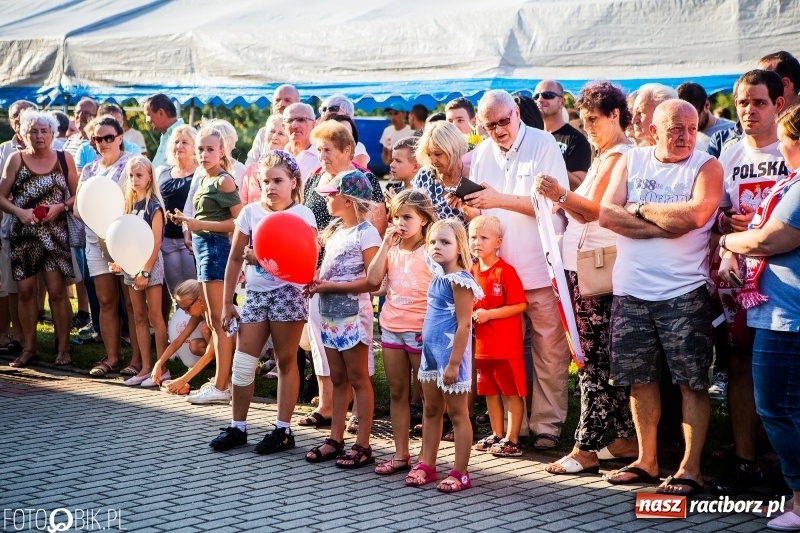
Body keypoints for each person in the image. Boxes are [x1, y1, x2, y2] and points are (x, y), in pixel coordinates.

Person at [599, 100, 723, 496]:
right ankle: (646, 460)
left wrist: (636, 210)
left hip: (683, 292)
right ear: (653, 130)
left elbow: (695, 217)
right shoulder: (632, 160)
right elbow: (606, 214)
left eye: (690, 127)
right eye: (675, 128)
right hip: (631, 290)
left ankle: (690, 469)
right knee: (640, 380)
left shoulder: (706, 165)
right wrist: (660, 223)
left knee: (692, 382)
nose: (686, 136)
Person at [535, 81, 636, 474]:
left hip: (596, 268)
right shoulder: (605, 153)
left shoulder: (619, 156)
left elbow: (595, 212)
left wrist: (560, 194)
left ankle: (586, 446)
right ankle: (625, 437)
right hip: (587, 265)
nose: (588, 127)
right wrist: (562, 199)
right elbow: (583, 213)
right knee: (605, 360)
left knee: (592, 360)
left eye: (594, 119)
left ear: (615, 114)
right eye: (584, 120)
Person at [466, 89, 570, 450]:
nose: (497, 130)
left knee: (548, 351)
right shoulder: (480, 153)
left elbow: (555, 203)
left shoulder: (543, 143)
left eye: (503, 121)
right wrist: (469, 206)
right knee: (503, 355)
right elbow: (482, 215)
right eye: (489, 125)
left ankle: (547, 426)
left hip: (539, 268)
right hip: (497, 273)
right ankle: (513, 429)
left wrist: (497, 199)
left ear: (516, 113)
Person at [718, 103, 800, 531]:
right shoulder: (792, 182)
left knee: (777, 408)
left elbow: (774, 237)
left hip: (789, 317)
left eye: (785, 138)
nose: (780, 147)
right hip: (778, 313)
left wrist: (731, 238)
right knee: (786, 408)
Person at [712, 69, 788, 496]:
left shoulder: (792, 150)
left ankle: (781, 460)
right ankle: (745, 459)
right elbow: (716, 212)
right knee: (740, 365)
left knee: (784, 372)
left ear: (778, 104)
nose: (748, 110)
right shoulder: (730, 154)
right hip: (740, 278)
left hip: (783, 280)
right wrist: (726, 221)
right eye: (742, 102)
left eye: (757, 102)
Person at [210, 151, 316, 453]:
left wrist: (264, 259)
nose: (271, 186)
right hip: (255, 295)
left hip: (289, 294)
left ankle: (283, 430)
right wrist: (227, 302)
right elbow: (233, 259)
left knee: (286, 361)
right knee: (243, 362)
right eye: (265, 181)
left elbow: (306, 260)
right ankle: (238, 427)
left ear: (293, 182)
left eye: (278, 180)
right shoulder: (250, 213)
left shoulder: (302, 215)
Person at [301, 121, 386, 429]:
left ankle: (358, 423)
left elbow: (376, 225)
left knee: (355, 361)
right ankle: (328, 413)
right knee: (326, 351)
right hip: (319, 276)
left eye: (328, 149)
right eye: (318, 149)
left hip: (350, 286)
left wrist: (351, 268)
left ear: (347, 149)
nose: (321, 155)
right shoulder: (314, 181)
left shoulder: (362, 181)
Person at [304, 170, 380, 468]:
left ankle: (363, 443)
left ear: (348, 200)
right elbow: (328, 272)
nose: (327, 200)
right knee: (337, 378)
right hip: (329, 314)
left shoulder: (367, 232)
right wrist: (315, 282)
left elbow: (372, 282)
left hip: (352, 316)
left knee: (358, 378)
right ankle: (336, 438)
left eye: (332, 195)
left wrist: (329, 286)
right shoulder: (335, 231)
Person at [405, 219, 482, 492]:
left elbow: (464, 324)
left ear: (459, 248)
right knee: (431, 408)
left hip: (451, 358)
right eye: (434, 241)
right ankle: (427, 463)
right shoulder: (438, 275)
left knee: (458, 414)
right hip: (431, 355)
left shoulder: (460, 281)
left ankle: (460, 472)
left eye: (446, 242)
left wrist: (453, 364)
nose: (437, 246)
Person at [170, 125, 243, 404]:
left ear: (222, 151)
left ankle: (223, 385)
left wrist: (199, 224)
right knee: (213, 321)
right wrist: (187, 222)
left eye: (210, 149)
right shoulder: (203, 178)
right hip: (202, 248)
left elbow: (238, 221)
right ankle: (222, 382)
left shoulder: (224, 180)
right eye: (200, 149)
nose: (204, 154)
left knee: (220, 321)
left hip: (215, 249)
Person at [366, 189, 436, 474]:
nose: (400, 223)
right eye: (396, 216)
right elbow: (372, 281)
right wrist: (384, 243)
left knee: (431, 401)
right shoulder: (392, 248)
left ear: (424, 219)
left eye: (407, 217)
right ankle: (401, 454)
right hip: (392, 330)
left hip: (421, 332)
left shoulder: (431, 250)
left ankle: (427, 460)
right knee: (397, 394)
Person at [0, 110, 77, 367]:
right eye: (33, 130)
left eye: (44, 131)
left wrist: (61, 207)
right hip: (23, 236)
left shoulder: (65, 159)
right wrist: (18, 212)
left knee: (57, 292)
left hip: (55, 236)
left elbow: (79, 195)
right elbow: (1, 196)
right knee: (24, 292)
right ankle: (29, 347)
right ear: (24, 134)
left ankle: (63, 348)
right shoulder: (15, 159)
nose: (39, 135)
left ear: (54, 134)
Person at [76, 116, 140, 377]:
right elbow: (78, 208)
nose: (103, 143)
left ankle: (137, 360)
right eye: (97, 139)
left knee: (132, 302)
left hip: (125, 241)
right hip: (94, 242)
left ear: (120, 137)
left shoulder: (131, 166)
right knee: (105, 301)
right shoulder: (89, 169)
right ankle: (112, 357)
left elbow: (138, 202)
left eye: (108, 137)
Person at [468, 215, 527, 458]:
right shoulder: (471, 270)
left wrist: (489, 314)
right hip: (483, 346)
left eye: (484, 237)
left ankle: (512, 439)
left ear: (498, 242)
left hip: (505, 346)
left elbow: (520, 305)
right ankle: (497, 433)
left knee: (510, 392)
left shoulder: (505, 271)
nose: (477, 242)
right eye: (473, 237)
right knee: (490, 391)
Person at [109, 156, 168, 387]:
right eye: (131, 176)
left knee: (155, 316)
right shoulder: (128, 205)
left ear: (150, 177)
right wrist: (120, 262)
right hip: (131, 266)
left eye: (139, 175)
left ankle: (162, 369)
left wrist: (145, 271)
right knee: (138, 316)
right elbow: (124, 238)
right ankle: (145, 367)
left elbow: (156, 242)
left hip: (149, 265)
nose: (134, 180)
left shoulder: (154, 206)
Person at [0, 100, 36, 358]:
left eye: (23, 115)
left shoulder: (50, 147)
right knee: (11, 287)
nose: (18, 120)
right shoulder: (4, 151)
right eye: (14, 116)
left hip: (48, 233)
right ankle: (12, 336)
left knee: (48, 290)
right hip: (10, 228)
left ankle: (39, 341)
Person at [151, 279, 215, 394]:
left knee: (205, 328)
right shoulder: (201, 311)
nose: (186, 313)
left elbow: (210, 354)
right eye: (183, 309)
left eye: (187, 308)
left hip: (243, 349)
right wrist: (159, 362)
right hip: (224, 348)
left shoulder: (215, 312)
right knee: (195, 345)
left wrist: (183, 380)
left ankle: (228, 374)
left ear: (200, 299)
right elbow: (179, 340)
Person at [157, 124, 198, 298]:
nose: (179, 146)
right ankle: (179, 325)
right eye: (176, 142)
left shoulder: (201, 173)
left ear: (195, 147)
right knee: (177, 293)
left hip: (190, 240)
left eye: (185, 142)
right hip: (166, 240)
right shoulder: (161, 172)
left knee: (194, 290)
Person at [412, 121, 477, 225]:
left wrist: (466, 206)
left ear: (454, 150)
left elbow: (480, 223)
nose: (432, 161)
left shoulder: (473, 177)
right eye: (428, 155)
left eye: (438, 154)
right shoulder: (425, 175)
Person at [534, 80, 592, 189]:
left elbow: (579, 185)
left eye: (548, 95)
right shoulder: (534, 137)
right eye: (536, 96)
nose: (540, 100)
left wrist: (550, 160)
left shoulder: (576, 139)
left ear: (562, 102)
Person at [245, 84, 300, 167]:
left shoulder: (303, 133)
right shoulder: (263, 132)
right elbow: (251, 163)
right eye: (277, 100)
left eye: (287, 100)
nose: (281, 104)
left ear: (298, 104)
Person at [74, 104, 142, 169]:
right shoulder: (84, 149)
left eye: (119, 123)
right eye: (108, 122)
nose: (116, 126)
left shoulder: (133, 149)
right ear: (97, 122)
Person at [240, 115, 287, 205]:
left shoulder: (291, 170)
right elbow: (242, 204)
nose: (274, 136)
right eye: (271, 131)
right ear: (265, 136)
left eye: (281, 133)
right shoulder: (252, 170)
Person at [676, 82, 735, 151]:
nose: (687, 122)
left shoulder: (732, 131)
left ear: (707, 105)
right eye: (681, 117)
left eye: (693, 116)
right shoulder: (677, 134)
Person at [317, 94, 371, 167]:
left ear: (348, 115)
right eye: (323, 109)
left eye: (334, 108)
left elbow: (359, 176)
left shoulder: (357, 148)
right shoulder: (318, 145)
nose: (327, 112)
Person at [144, 93, 184, 172]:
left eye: (148, 115)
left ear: (161, 113)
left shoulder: (184, 135)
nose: (147, 120)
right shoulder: (166, 135)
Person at [283, 103, 320, 183]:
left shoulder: (322, 157)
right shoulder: (277, 157)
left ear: (314, 125)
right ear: (283, 127)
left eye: (301, 120)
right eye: (290, 120)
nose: (295, 125)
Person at [63, 98, 98, 164]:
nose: (80, 115)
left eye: (86, 113)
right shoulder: (72, 138)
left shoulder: (97, 142)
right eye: (78, 112)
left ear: (96, 116)